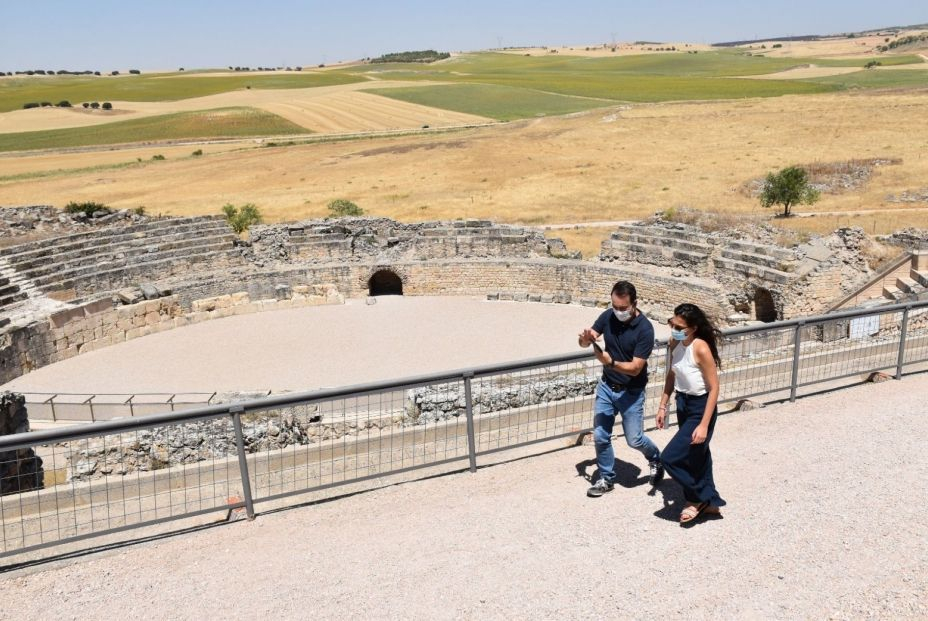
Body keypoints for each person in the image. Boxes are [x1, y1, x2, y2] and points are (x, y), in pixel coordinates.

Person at [578, 280, 663, 498]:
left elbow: (636, 369)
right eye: (615, 306)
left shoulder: (645, 329)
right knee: (600, 435)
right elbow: (586, 342)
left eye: (623, 308)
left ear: (634, 304)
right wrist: (585, 339)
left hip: (631, 392)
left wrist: (610, 363)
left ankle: (655, 458)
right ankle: (606, 478)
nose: (618, 311)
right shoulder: (608, 316)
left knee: (634, 439)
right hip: (607, 387)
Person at [656, 303, 726, 524]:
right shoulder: (674, 342)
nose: (674, 328)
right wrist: (663, 405)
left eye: (679, 326)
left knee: (669, 458)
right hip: (682, 403)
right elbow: (672, 373)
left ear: (694, 328)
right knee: (699, 454)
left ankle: (698, 498)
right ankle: (708, 501)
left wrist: (704, 424)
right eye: (672, 323)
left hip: (700, 406)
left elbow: (714, 388)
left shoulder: (701, 348)